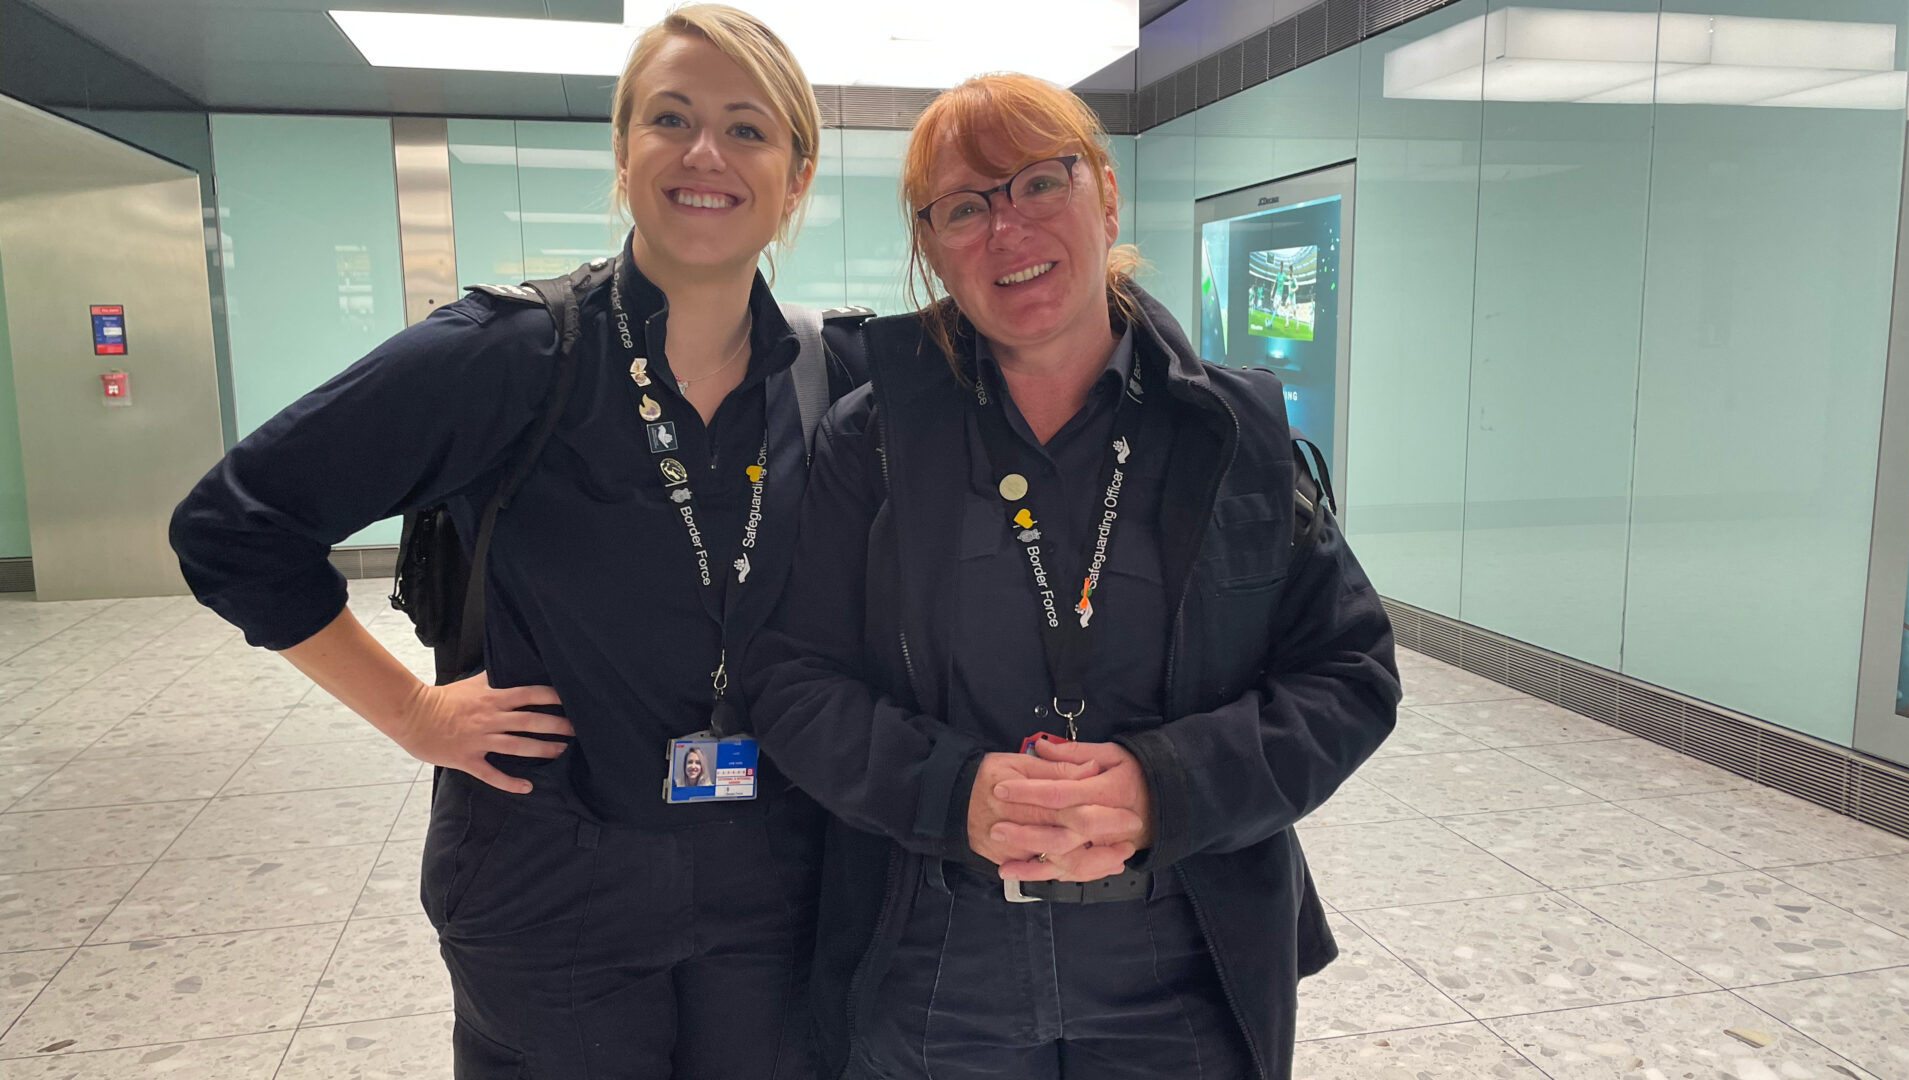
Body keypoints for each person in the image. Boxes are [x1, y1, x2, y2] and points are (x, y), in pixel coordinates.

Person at [169, 7, 865, 1077]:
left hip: (771, 891)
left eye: (748, 128)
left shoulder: (830, 376)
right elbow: (233, 525)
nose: (704, 154)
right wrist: (409, 711)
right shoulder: (515, 354)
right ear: (623, 152)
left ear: (796, 175)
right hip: (551, 894)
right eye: (669, 118)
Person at [747, 73, 1399, 1080]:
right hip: (936, 966)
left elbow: (1350, 676)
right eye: (966, 205)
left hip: (1184, 966)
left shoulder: (1235, 437)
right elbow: (791, 683)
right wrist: (950, 790)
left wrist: (1166, 785)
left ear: (1104, 195)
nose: (1008, 228)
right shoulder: (869, 443)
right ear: (931, 249)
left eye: (1039, 183)